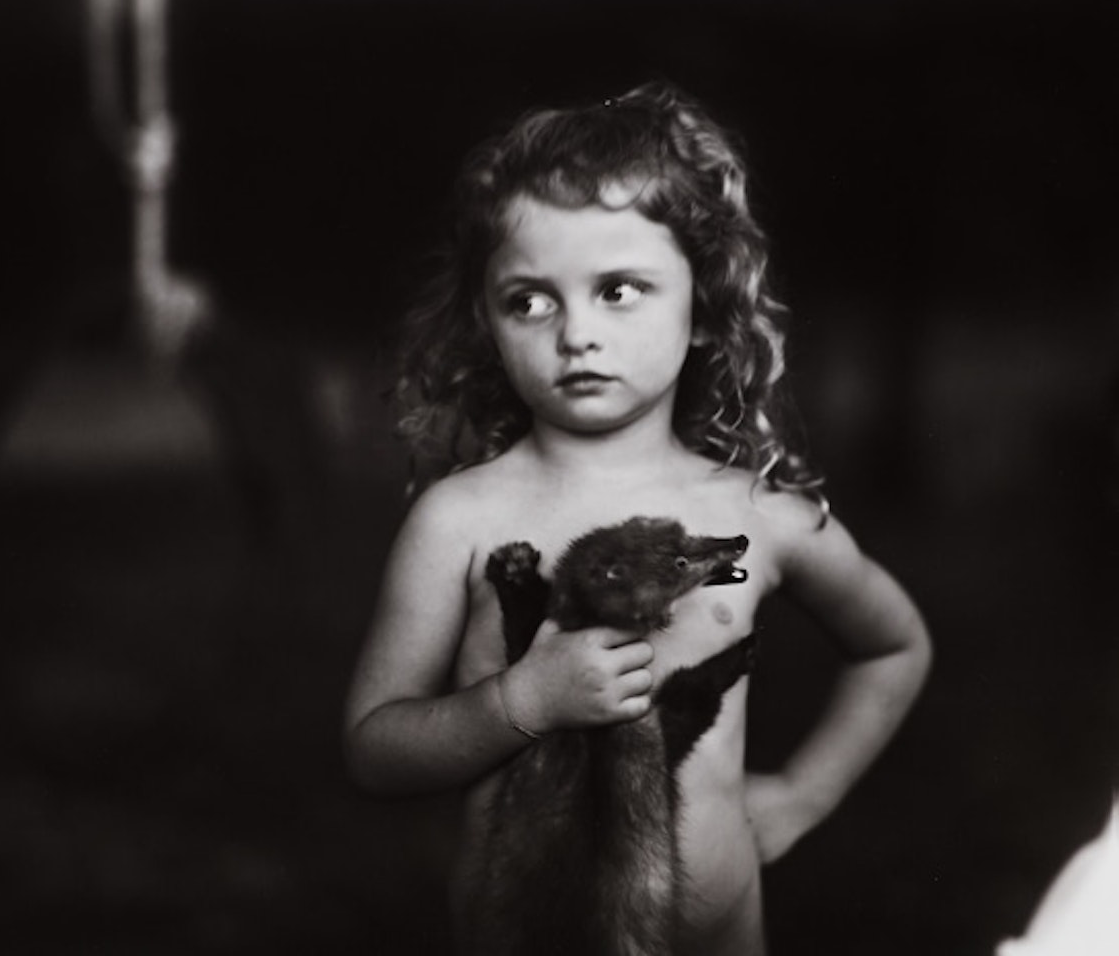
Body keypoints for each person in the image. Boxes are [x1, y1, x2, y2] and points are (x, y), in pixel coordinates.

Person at [342, 80, 932, 955]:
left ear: (704, 305)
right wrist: (519, 701)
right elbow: (374, 747)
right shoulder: (460, 520)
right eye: (531, 301)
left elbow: (894, 643)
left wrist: (806, 792)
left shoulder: (751, 514)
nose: (575, 332)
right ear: (486, 325)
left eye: (619, 289)